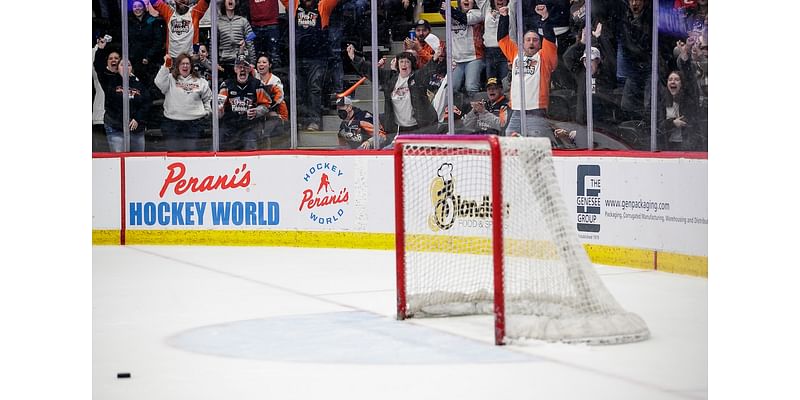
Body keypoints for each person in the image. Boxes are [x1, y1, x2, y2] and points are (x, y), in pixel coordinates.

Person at [348, 46, 439, 142]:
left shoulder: (417, 78)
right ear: (397, 64)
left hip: (420, 127)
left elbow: (427, 71)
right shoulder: (390, 78)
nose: (404, 64)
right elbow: (371, 71)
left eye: (407, 62)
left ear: (412, 65)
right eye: (401, 61)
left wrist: (435, 59)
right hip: (399, 129)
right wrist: (355, 58)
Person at [497, 0, 558, 137]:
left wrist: (545, 18)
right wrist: (504, 17)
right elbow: (502, 39)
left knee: (536, 146)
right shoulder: (515, 54)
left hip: (535, 112)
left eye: (535, 40)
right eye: (528, 39)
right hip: (516, 111)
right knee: (510, 145)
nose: (531, 42)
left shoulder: (544, 57)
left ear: (540, 43)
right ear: (522, 43)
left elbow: (549, 37)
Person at [280, 0, 340, 131]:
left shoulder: (322, 5)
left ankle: (314, 121)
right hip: (298, 57)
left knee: (314, 89)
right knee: (299, 90)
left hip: (318, 57)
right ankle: (301, 121)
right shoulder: (294, 3)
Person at [94, 38, 151, 152]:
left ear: (131, 68)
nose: (125, 67)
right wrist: (100, 49)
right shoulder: (110, 81)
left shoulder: (138, 83)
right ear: (117, 68)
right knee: (119, 160)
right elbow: (99, 67)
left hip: (136, 129)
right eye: (122, 65)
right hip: (116, 128)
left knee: (137, 161)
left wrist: (137, 118)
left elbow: (146, 103)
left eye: (128, 65)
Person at [154, 53, 213, 151]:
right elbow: (158, 82)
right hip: (172, 124)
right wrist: (166, 65)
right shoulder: (169, 79)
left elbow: (209, 99)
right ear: (177, 66)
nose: (185, 66)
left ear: (191, 66)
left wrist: (207, 111)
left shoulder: (200, 81)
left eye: (187, 64)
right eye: (182, 64)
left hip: (194, 125)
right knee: (173, 156)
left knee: (193, 157)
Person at [562, 27, 616, 124]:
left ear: (598, 61)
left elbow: (610, 58)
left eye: (591, 60)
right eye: (585, 60)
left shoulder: (606, 74)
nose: (588, 64)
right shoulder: (580, 73)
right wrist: (582, 43)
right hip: (583, 123)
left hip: (603, 126)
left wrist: (599, 39)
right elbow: (567, 57)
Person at [218, 56, 273, 150]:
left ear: (250, 69)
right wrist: (219, 110)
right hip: (229, 126)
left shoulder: (257, 84)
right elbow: (219, 106)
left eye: (245, 66)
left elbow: (266, 105)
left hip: (249, 127)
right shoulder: (226, 85)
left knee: (251, 149)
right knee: (221, 148)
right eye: (239, 66)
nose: (242, 69)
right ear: (235, 69)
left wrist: (257, 111)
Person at [441, 0, 489, 97]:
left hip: (474, 58)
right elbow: (442, 10)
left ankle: (476, 111)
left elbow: (465, 19)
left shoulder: (478, 13)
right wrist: (443, 7)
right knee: (451, 88)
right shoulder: (451, 13)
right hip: (456, 59)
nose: (466, 0)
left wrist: (449, 9)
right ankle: (454, 111)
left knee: (471, 87)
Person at [128, 0, 165, 95]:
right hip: (134, 60)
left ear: (144, 8)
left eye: (139, 6)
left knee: (150, 86)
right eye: (135, 6)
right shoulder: (128, 21)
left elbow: (158, 40)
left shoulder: (152, 20)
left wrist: (148, 56)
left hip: (150, 60)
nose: (137, 9)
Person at [657, 69, 699, 151]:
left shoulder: (688, 101)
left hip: (685, 146)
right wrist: (672, 123)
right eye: (670, 79)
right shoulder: (662, 102)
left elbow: (692, 121)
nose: (673, 82)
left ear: (681, 84)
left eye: (676, 79)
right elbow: (658, 126)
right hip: (667, 146)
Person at [217, 0, 256, 82]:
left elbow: (250, 42)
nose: (231, 0)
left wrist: (252, 62)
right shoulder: (218, 22)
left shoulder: (243, 21)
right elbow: (213, 45)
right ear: (224, 3)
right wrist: (214, 63)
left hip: (242, 60)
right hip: (225, 61)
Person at [241, 0, 283, 68]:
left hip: (272, 24)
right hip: (254, 25)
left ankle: (275, 78)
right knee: (253, 56)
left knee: (274, 56)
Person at [255, 54, 289, 138]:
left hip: (276, 112)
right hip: (260, 112)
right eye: (259, 62)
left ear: (269, 65)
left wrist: (269, 110)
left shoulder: (275, 80)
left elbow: (279, 98)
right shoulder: (254, 77)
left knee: (270, 130)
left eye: (264, 62)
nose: (261, 64)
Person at [483, 0, 509, 82]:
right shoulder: (486, 8)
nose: (500, 0)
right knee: (491, 83)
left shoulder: (511, 9)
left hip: (505, 51)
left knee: (505, 82)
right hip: (489, 52)